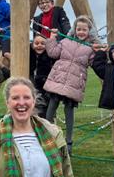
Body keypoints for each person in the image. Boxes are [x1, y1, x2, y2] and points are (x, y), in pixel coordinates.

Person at [43, 15, 101, 150]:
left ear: (89, 31)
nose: (81, 32)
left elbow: (95, 63)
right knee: (52, 105)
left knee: (69, 109)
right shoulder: (65, 41)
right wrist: (52, 38)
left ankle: (69, 140)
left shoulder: (91, 48)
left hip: (74, 81)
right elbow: (53, 53)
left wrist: (101, 52)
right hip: (59, 77)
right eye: (78, 29)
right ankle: (46, 134)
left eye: (84, 30)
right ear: (74, 30)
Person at [29, 35, 56, 118]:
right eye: (36, 43)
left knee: (48, 106)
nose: (39, 45)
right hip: (35, 85)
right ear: (32, 45)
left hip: (47, 85)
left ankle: (49, 120)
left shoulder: (49, 56)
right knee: (37, 106)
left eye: (42, 43)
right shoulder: (31, 55)